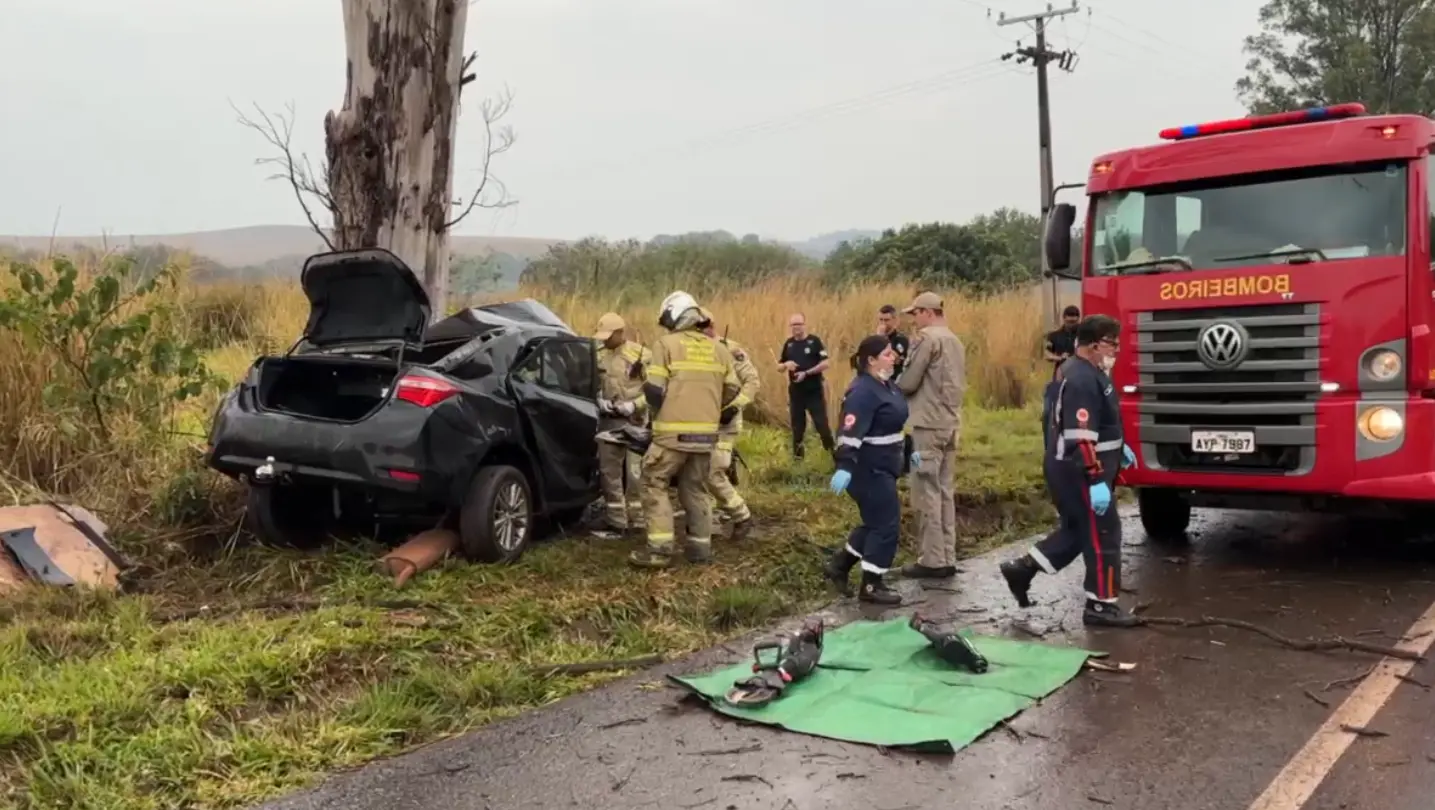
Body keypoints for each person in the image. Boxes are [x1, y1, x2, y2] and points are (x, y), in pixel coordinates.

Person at [998, 314, 1140, 627]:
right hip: (1081, 469)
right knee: (1104, 533)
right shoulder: (1082, 379)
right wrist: (1095, 479)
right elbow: (1079, 435)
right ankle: (1101, 605)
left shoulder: (1087, 372)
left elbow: (1099, 422)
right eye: (1110, 344)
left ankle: (1023, 569)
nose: (1116, 350)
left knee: (1078, 531)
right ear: (1092, 345)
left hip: (1078, 465)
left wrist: (1119, 447)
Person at [631, 291, 741, 570]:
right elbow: (732, 389)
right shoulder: (719, 349)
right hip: (706, 437)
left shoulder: (665, 345)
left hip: (671, 436)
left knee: (653, 483)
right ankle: (700, 550)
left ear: (673, 316)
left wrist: (654, 412)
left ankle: (659, 550)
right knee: (696, 489)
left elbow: (655, 391)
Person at [821, 335, 918, 605]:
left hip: (886, 465)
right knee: (886, 525)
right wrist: (844, 466)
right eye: (887, 354)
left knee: (875, 523)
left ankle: (839, 566)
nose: (894, 357)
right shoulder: (862, 392)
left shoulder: (888, 386)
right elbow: (849, 433)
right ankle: (872, 585)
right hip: (867, 470)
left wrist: (910, 451)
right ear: (871, 360)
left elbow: (894, 426)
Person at [894, 291, 966, 580]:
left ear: (927, 312)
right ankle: (947, 554)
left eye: (915, 314)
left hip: (928, 423)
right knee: (946, 491)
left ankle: (932, 560)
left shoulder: (926, 339)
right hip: (951, 422)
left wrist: (892, 384)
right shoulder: (955, 340)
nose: (914, 320)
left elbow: (909, 382)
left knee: (926, 492)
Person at [699, 307, 759, 541]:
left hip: (726, 425)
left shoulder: (732, 350)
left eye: (702, 328)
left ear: (711, 326)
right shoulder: (696, 351)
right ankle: (707, 520)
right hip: (703, 422)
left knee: (713, 471)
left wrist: (735, 406)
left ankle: (741, 515)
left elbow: (752, 382)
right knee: (698, 471)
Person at [593, 312, 650, 533]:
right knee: (609, 472)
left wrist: (635, 405)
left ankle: (638, 519)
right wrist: (600, 400)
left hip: (635, 422)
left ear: (620, 332)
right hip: (609, 421)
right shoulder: (598, 355)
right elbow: (594, 383)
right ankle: (616, 520)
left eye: (609, 336)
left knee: (636, 473)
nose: (605, 340)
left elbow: (656, 389)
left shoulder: (641, 355)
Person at [777, 313, 834, 460]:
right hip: (796, 392)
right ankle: (798, 461)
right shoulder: (789, 344)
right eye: (793, 325)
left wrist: (806, 373)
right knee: (797, 429)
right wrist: (785, 365)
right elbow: (779, 366)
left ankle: (833, 456)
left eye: (799, 324)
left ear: (804, 325)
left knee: (822, 426)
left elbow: (825, 363)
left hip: (813, 391)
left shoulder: (814, 341)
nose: (796, 328)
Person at [1043, 305, 1081, 380]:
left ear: (1078, 319)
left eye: (1074, 322)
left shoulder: (1084, 335)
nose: (1072, 325)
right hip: (1061, 373)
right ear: (1064, 319)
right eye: (1069, 322)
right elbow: (1047, 354)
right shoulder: (1054, 336)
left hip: (1080, 373)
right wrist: (1060, 358)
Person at [877, 304, 911, 380]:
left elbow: (892, 358)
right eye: (881, 320)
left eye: (886, 320)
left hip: (894, 380)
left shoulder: (901, 339)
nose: (883, 323)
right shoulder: (874, 339)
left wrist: (881, 338)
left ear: (894, 320)